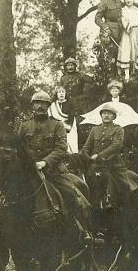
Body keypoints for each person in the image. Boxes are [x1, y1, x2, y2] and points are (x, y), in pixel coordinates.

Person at [18, 90, 92, 243]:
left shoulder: (57, 125)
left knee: (72, 195)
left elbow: (61, 148)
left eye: (43, 103)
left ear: (48, 106)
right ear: (32, 105)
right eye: (36, 103)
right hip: (29, 174)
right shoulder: (24, 126)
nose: (39, 106)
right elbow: (19, 149)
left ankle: (82, 230)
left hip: (53, 172)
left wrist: (44, 162)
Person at [80, 102, 138, 205]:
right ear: (101, 115)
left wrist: (99, 155)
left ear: (113, 116)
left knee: (124, 185)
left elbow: (116, 145)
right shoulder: (95, 129)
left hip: (113, 164)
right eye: (104, 113)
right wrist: (85, 156)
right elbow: (86, 146)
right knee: (84, 183)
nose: (106, 115)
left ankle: (126, 207)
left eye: (109, 113)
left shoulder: (118, 129)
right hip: (95, 164)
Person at [117, 0, 138, 82]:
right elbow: (123, 21)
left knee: (136, 51)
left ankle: (136, 73)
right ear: (124, 1)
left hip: (136, 32)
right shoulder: (123, 10)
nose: (128, 0)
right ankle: (127, 75)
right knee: (126, 52)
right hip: (127, 33)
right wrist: (127, 27)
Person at [48, 86, 79, 154]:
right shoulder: (52, 105)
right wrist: (58, 125)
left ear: (65, 94)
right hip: (56, 127)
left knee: (71, 144)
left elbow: (71, 115)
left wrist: (66, 126)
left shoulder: (70, 103)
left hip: (69, 127)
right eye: (59, 92)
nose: (61, 94)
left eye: (63, 92)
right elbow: (51, 117)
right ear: (56, 94)